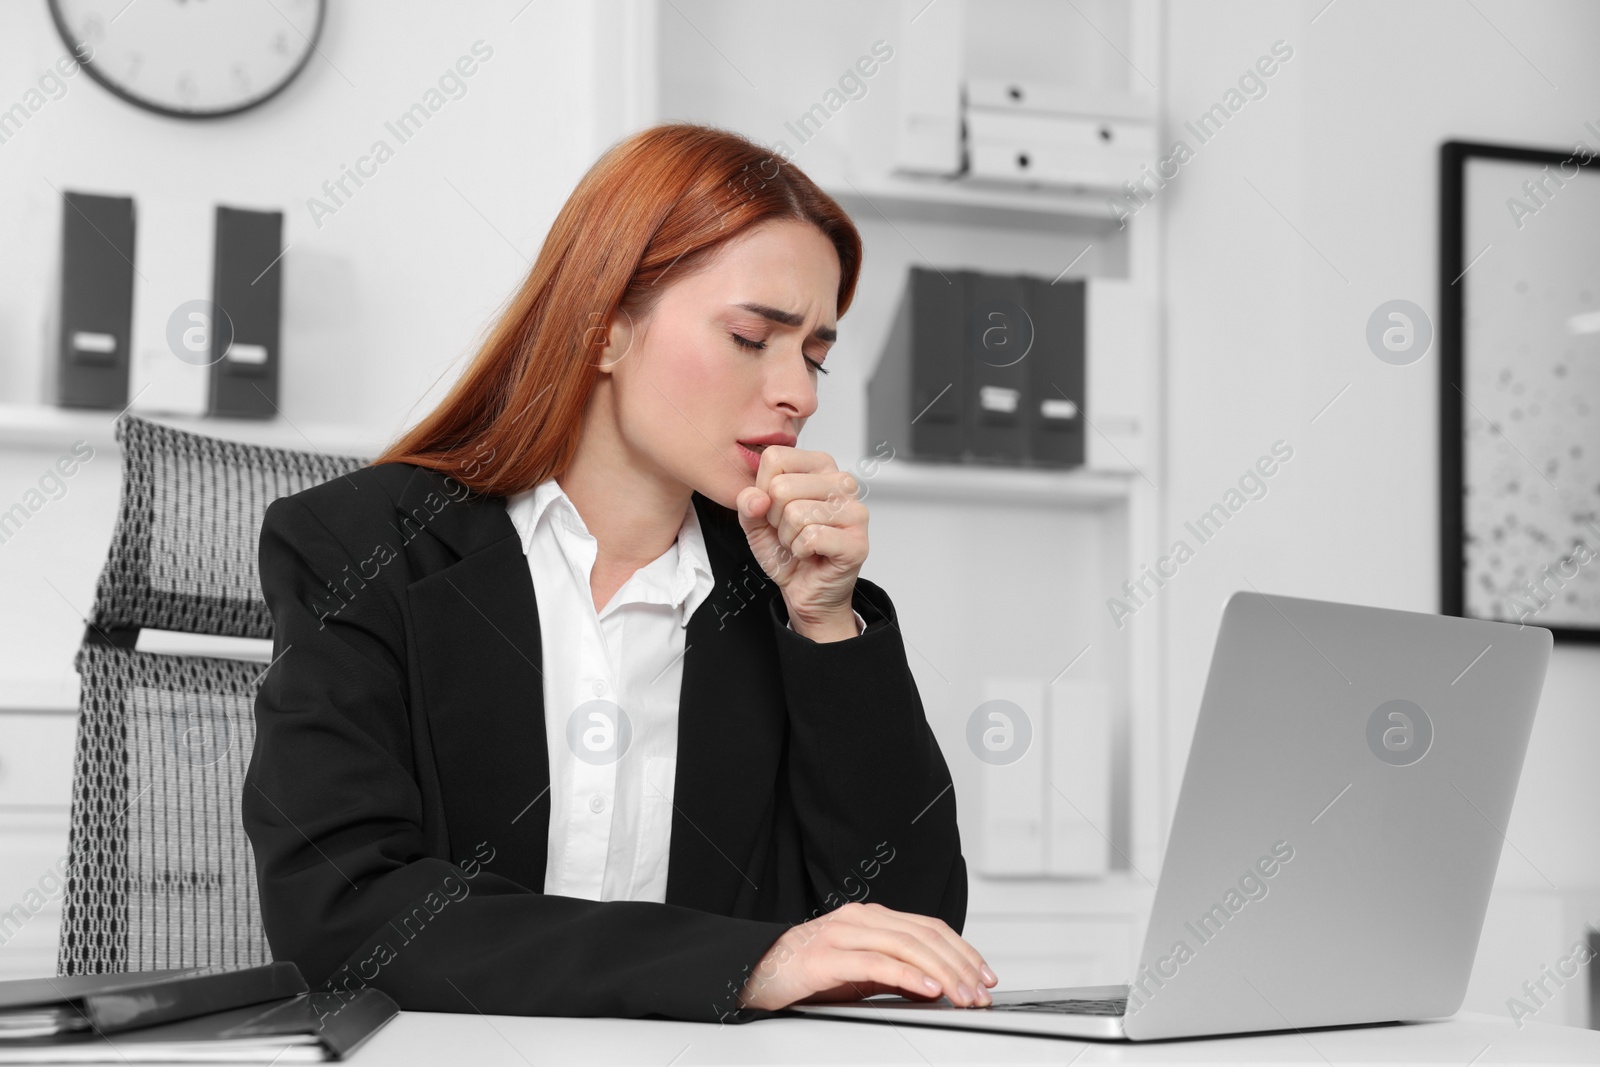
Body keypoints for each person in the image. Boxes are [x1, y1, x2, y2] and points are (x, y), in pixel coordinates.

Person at [242, 122, 996, 1024]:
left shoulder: (781, 595)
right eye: (755, 337)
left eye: (817, 353)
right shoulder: (363, 546)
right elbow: (347, 917)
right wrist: (747, 962)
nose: (800, 391)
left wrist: (828, 627)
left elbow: (910, 929)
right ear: (603, 329)